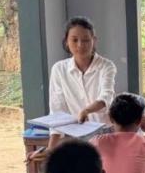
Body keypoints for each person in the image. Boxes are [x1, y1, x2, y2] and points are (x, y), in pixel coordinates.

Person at [45, 16, 117, 151]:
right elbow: (57, 110)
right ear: (66, 41)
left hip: (106, 134)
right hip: (76, 136)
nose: (80, 45)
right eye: (74, 40)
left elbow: (106, 97)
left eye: (86, 40)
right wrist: (50, 149)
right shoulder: (59, 69)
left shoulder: (106, 66)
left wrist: (87, 110)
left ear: (94, 41)